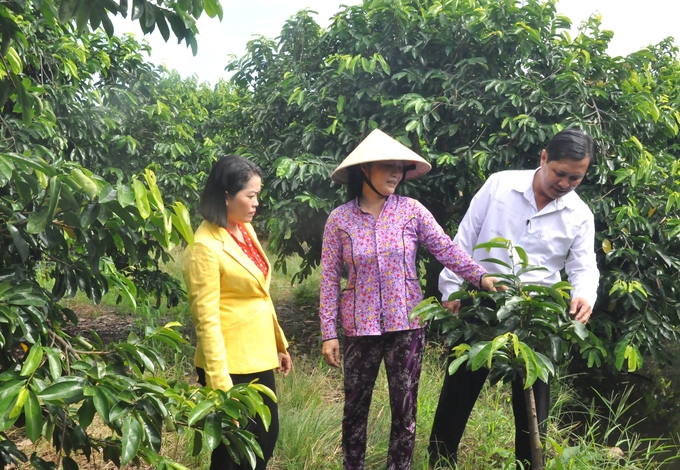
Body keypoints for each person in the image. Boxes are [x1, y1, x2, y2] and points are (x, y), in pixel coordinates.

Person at [319, 129, 501, 470]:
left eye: (400, 168)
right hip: (360, 327)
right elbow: (329, 278)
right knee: (355, 407)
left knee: (405, 409)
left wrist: (480, 276)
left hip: (407, 324)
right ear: (364, 169)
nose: (395, 174)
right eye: (388, 166)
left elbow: (444, 248)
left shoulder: (411, 211)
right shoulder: (339, 221)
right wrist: (328, 332)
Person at [428, 128, 600, 469]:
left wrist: (584, 295)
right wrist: (450, 290)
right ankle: (440, 461)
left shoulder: (579, 215)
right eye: (560, 174)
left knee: (534, 406)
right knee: (458, 391)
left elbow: (583, 266)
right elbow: (465, 238)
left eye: (575, 178)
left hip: (535, 316)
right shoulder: (499, 186)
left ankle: (529, 464)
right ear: (543, 158)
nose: (565, 184)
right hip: (481, 300)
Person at [182, 155, 292, 470]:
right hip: (231, 363)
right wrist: (220, 384)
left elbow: (259, 294)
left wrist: (278, 344)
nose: (257, 202)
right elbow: (206, 320)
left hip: (258, 355)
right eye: (251, 195)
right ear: (226, 196)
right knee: (235, 452)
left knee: (264, 440)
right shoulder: (205, 246)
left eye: (257, 195)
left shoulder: (243, 229)